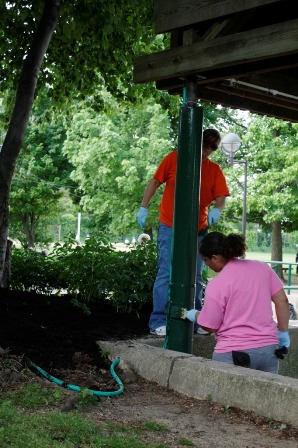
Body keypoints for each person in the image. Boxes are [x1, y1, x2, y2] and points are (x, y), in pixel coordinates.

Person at [137, 128, 230, 336]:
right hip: (170, 224)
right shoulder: (173, 158)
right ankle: (158, 321)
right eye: (206, 143)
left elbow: (222, 195)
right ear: (197, 140)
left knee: (196, 275)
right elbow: (154, 182)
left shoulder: (213, 169)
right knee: (166, 272)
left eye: (213, 146)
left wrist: (217, 208)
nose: (208, 149)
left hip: (198, 229)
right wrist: (144, 206)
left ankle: (199, 320)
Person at [185, 232, 290, 374]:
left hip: (233, 353)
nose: (206, 264)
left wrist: (195, 315)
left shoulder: (217, 284)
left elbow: (209, 325)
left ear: (215, 258)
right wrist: (283, 331)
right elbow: (282, 300)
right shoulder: (262, 268)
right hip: (269, 350)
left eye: (205, 260)